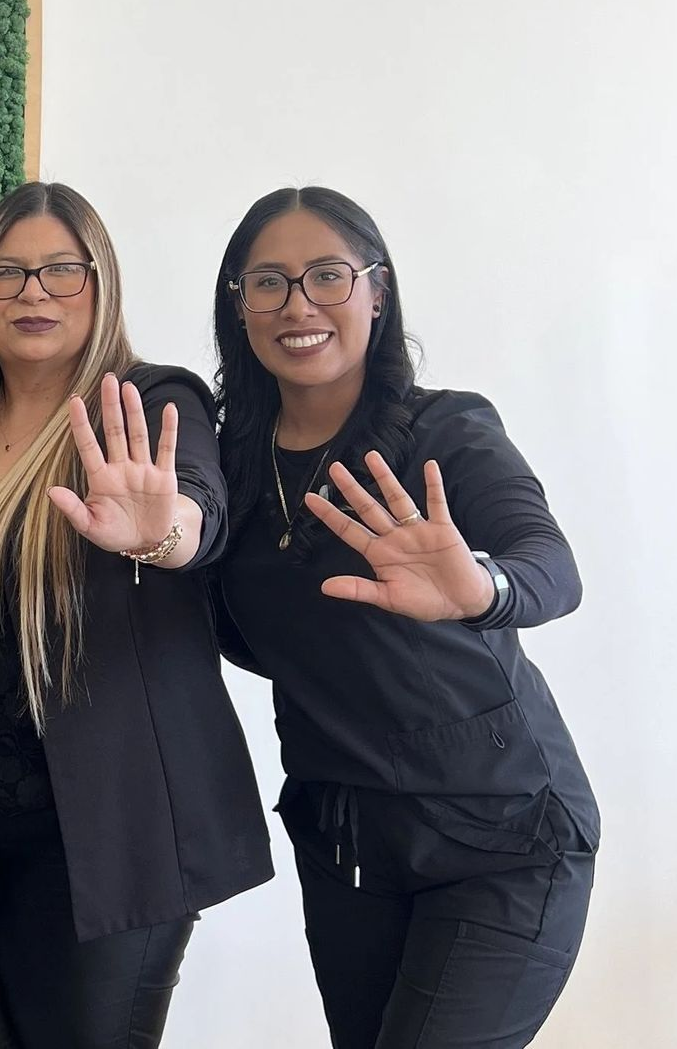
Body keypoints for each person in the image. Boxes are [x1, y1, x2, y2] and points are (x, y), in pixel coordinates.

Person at [0, 182, 273, 1048]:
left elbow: (195, 508)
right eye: (6, 274)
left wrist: (164, 535)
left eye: (58, 271)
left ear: (101, 281)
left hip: (95, 846)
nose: (32, 293)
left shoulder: (151, 400)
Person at [208, 186, 597, 1048]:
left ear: (376, 293)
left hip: (504, 835)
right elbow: (246, 634)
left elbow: (551, 565)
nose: (297, 304)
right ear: (238, 306)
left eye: (328, 276)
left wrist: (480, 589)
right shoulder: (229, 462)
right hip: (348, 840)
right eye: (266, 282)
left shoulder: (443, 431)